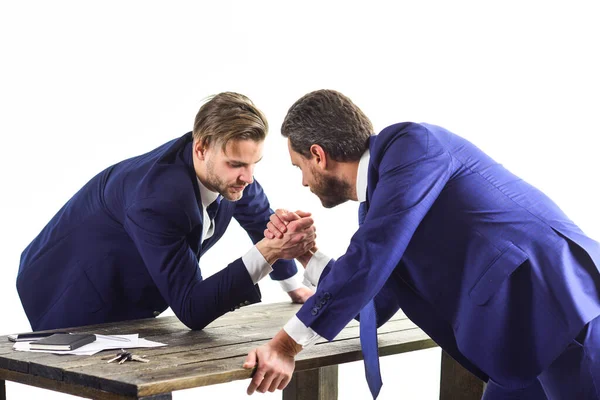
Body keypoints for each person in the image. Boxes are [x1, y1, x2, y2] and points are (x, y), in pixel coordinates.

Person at [243, 89, 600, 399]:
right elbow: (374, 304)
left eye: (299, 167)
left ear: (319, 155)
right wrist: (306, 253)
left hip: (561, 309)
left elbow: (372, 254)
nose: (304, 182)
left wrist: (285, 345)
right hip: (518, 343)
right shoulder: (382, 208)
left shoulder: (411, 146)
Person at [17, 92, 315, 332]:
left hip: (136, 296)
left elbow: (263, 221)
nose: (248, 178)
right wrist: (267, 253)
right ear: (201, 148)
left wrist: (291, 286)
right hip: (71, 296)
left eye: (254, 164)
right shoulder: (157, 201)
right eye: (237, 164)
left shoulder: (231, 172)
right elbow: (192, 310)